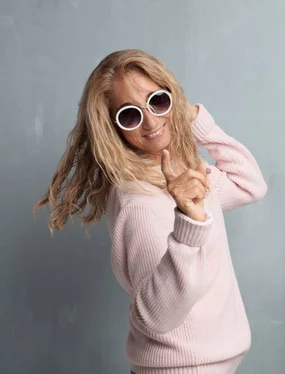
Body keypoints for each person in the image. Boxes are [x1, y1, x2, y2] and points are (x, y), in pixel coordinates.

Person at [34, 49, 267, 374]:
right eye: (130, 115)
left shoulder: (179, 172)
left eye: (158, 100)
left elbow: (251, 184)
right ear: (112, 128)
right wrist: (189, 220)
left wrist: (194, 119)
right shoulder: (139, 203)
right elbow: (156, 317)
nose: (152, 121)